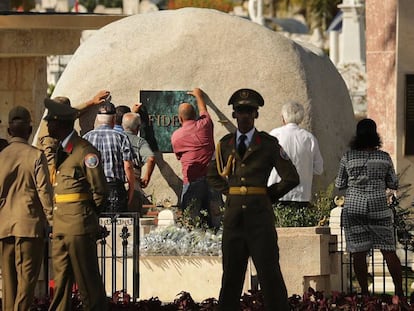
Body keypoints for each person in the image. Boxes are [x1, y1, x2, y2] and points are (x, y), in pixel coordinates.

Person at [207, 88, 299, 310]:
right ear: (234, 114)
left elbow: (291, 177)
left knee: (270, 275)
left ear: (256, 114)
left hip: (260, 220)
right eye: (240, 110)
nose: (245, 115)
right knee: (231, 277)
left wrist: (267, 196)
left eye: (249, 111)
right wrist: (231, 192)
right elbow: (211, 175)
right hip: (234, 220)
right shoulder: (225, 144)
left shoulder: (268, 144)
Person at [44, 97, 108, 311]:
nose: (47, 126)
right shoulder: (62, 151)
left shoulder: (84, 151)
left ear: (60, 124)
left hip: (79, 227)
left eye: (50, 121)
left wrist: (87, 218)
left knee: (88, 284)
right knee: (60, 285)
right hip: (61, 227)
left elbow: (99, 191)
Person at [335, 118, 403, 298]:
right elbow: (394, 183)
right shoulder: (384, 157)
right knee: (388, 250)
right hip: (379, 206)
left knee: (359, 251)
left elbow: (340, 183)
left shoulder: (348, 157)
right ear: (375, 135)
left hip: (354, 208)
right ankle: (399, 292)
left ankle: (364, 294)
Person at [0, 106, 53, 311]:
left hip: (4, 227)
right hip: (30, 227)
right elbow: (44, 192)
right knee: (27, 283)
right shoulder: (36, 156)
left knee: (9, 285)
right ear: (30, 130)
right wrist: (52, 219)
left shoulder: (2, 156)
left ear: (9, 131)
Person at [171, 88, 220, 228]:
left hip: (191, 183)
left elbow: (179, 157)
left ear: (180, 119)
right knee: (217, 220)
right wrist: (199, 96)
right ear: (195, 115)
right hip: (212, 180)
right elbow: (204, 110)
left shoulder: (176, 136)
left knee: (191, 222)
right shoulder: (206, 125)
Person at [39, 90, 110, 178]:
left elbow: (76, 111)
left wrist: (92, 102)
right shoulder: (50, 130)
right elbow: (50, 158)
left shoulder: (56, 120)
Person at [267, 101, 323, 208]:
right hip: (301, 195)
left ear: (283, 118)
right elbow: (318, 169)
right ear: (301, 118)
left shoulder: (274, 135)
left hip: (277, 194)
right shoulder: (309, 138)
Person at [83, 101, 135, 212]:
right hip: (115, 188)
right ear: (113, 119)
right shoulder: (121, 137)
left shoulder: (86, 138)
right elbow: (128, 167)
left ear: (97, 118)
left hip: (92, 188)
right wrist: (131, 192)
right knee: (116, 226)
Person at [122, 112, 156, 212]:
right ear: (138, 128)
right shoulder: (139, 142)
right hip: (133, 184)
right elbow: (151, 158)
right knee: (133, 219)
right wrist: (146, 177)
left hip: (116, 184)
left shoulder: (116, 138)